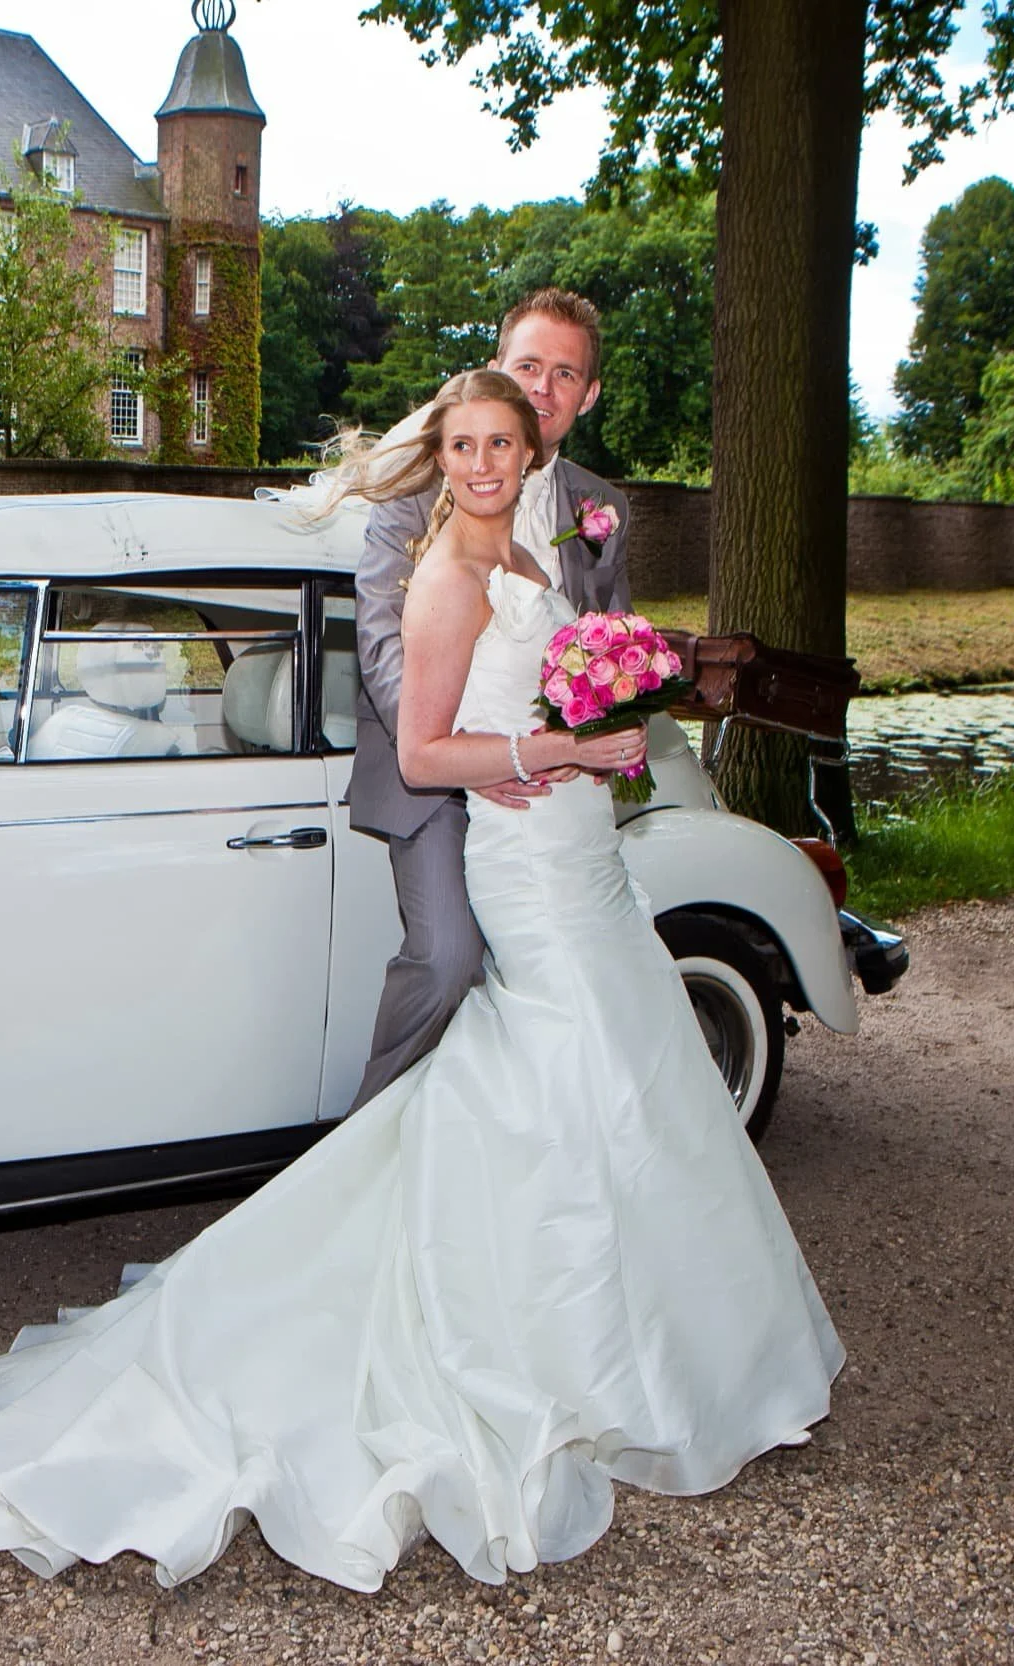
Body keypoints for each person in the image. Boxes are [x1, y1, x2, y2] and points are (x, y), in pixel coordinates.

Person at [0, 370, 844, 1592]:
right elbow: (424, 746)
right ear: (439, 458)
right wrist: (557, 746)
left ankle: (661, 1350)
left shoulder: (543, 564)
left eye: (503, 441)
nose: (486, 463)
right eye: (464, 445)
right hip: (527, 863)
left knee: (630, 1064)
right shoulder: (444, 576)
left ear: (532, 443)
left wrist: (602, 720)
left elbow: (555, 693)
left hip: (584, 851)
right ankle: (563, 1351)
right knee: (574, 1061)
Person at [352, 286, 632, 1110]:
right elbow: (379, 642)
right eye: (527, 366)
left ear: (588, 394)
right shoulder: (413, 494)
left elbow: (611, 646)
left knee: (585, 970)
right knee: (447, 957)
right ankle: (366, 1159)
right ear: (496, 365)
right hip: (435, 777)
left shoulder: (600, 510)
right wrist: (471, 757)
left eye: (564, 373)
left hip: (554, 789)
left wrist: (616, 726)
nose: (543, 387)